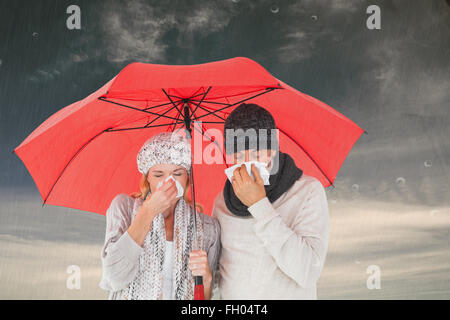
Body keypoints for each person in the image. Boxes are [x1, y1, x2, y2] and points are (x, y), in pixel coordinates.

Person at [212, 103, 329, 299]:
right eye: (239, 155)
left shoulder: (307, 191)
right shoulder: (222, 202)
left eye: (256, 153)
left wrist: (259, 205)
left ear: (272, 148)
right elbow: (218, 276)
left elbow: (308, 271)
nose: (248, 163)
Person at [99, 132, 220, 300]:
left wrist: (205, 281)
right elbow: (114, 278)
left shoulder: (207, 228)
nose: (168, 182)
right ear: (147, 177)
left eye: (177, 174)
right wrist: (148, 211)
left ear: (187, 178)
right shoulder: (124, 208)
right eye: (158, 175)